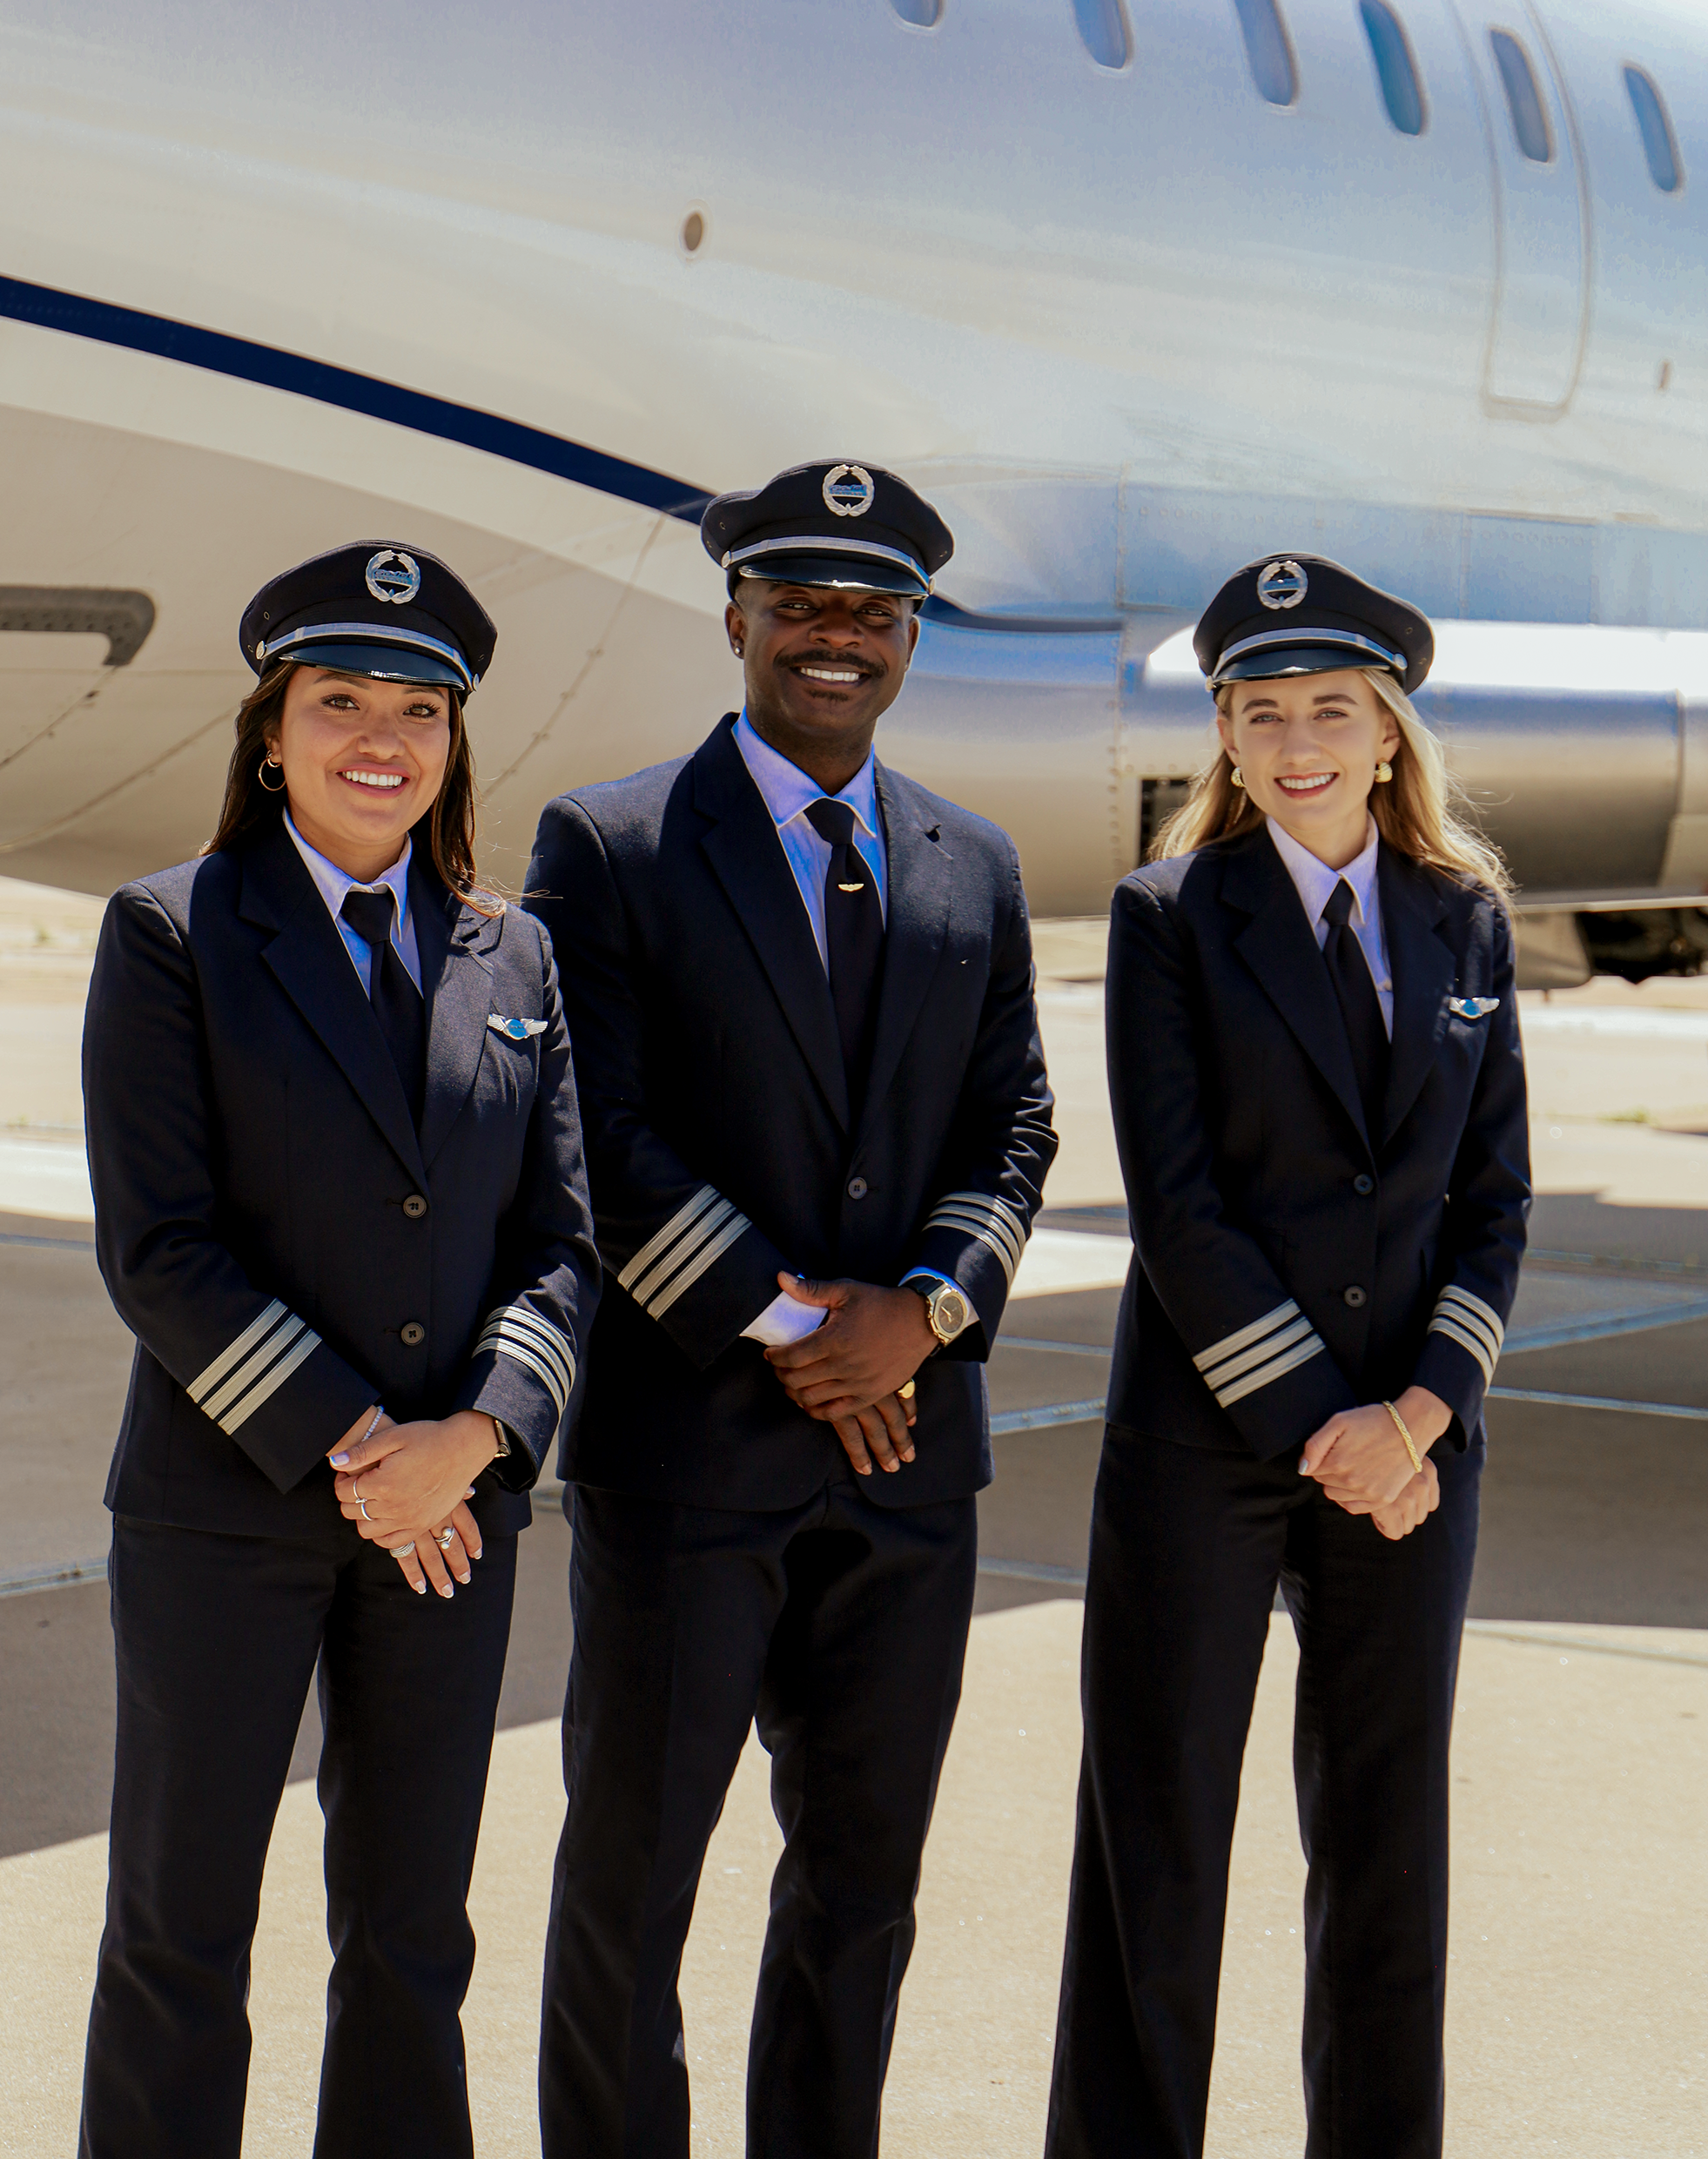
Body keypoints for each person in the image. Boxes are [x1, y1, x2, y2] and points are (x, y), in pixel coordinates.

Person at [528, 458, 1058, 2159]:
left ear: (908, 637)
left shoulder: (971, 863)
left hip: (909, 1470)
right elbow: (590, 1134)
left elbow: (1016, 1127)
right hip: (690, 1450)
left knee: (860, 1889)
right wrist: (787, 1325)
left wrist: (921, 1311)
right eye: (801, 605)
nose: (836, 638)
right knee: (634, 1884)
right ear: (737, 617)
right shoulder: (608, 845)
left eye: (872, 612)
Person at [77, 541, 598, 2159]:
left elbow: (563, 1245)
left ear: (454, 739)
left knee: (409, 1936)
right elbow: (160, 1250)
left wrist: (484, 1435)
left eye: (418, 709)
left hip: (450, 1522)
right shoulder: (176, 932)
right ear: (272, 730)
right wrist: (369, 1450)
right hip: (231, 1509)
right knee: (182, 1929)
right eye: (341, 701)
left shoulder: (511, 952)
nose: (383, 737)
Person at [1044, 553, 1530, 2159]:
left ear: (1389, 732)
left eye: (1333, 708)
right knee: (1156, 1850)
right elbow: (1178, 1206)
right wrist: (1334, 1425)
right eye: (1264, 712)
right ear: (1228, 743)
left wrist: (1422, 1409)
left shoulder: (1464, 920)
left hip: (1409, 1448)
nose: (1299, 739)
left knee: (1392, 1847)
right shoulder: (1172, 916)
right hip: (1211, 1442)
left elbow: (1495, 1196)